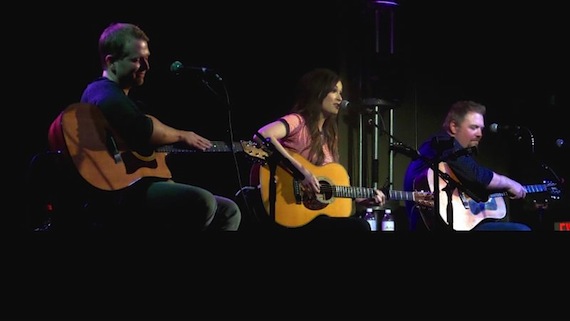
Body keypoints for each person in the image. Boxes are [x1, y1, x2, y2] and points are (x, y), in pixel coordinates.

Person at [76, 22, 241, 231]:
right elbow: (142, 129)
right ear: (111, 62)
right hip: (121, 192)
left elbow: (141, 130)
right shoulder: (102, 92)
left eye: (147, 58)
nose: (146, 66)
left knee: (229, 210)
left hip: (140, 182)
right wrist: (182, 136)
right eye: (137, 60)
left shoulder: (129, 103)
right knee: (203, 201)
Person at [248, 68, 387, 231]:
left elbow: (328, 187)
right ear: (318, 92)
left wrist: (360, 199)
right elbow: (262, 134)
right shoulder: (298, 121)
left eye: (341, 92)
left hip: (315, 215)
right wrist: (301, 171)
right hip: (289, 207)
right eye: (334, 91)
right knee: (359, 227)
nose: (340, 98)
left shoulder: (330, 136)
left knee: (358, 225)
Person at [403, 100, 531, 231]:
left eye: (481, 128)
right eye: (474, 127)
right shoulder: (444, 144)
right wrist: (508, 183)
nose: (480, 134)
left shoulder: (445, 151)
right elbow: (476, 175)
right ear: (454, 127)